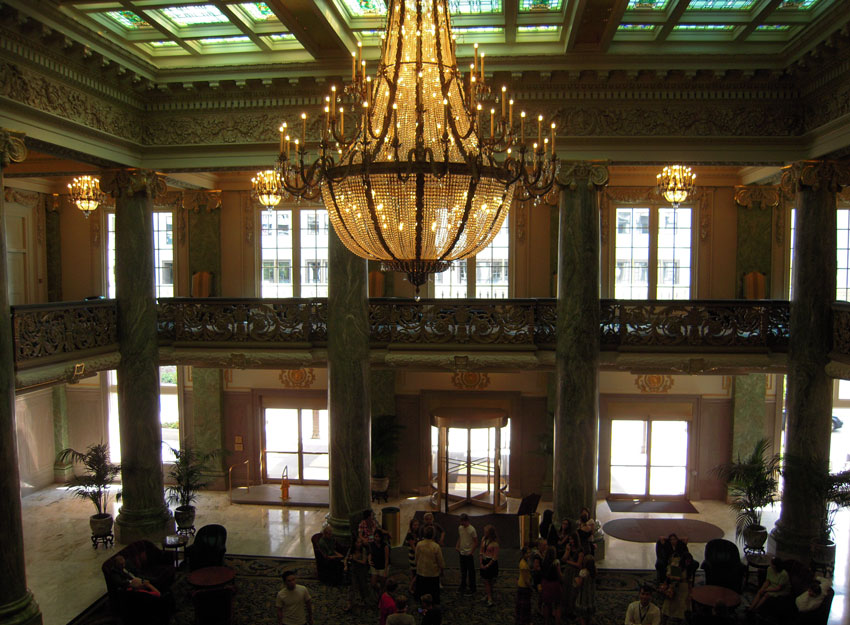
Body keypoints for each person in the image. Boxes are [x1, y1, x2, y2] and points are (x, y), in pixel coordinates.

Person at [415, 526, 444, 604]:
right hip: (432, 574)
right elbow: (440, 561)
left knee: (422, 593)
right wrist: (442, 570)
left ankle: (421, 608)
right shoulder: (436, 546)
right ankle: (432, 607)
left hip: (421, 573)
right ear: (433, 535)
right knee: (433, 595)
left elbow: (416, 558)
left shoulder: (419, 544)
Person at [345, 535, 371, 613]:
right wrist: (345, 565)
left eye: (360, 542)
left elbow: (364, 562)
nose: (359, 544)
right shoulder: (351, 550)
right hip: (353, 571)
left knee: (363, 586)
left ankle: (365, 601)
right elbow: (346, 558)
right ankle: (349, 603)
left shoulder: (363, 550)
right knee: (351, 587)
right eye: (357, 542)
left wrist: (354, 559)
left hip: (362, 571)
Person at [660, 553, 689, 624]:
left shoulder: (680, 560)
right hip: (676, 588)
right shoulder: (676, 560)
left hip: (681, 589)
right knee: (671, 610)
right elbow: (675, 578)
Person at [560, 532, 583, 619]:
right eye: (569, 539)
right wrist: (567, 551)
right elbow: (563, 559)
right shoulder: (569, 547)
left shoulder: (580, 550)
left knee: (573, 592)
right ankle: (565, 610)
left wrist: (568, 562)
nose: (571, 541)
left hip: (575, 572)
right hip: (568, 571)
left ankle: (572, 610)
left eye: (572, 539)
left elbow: (578, 564)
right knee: (566, 590)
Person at [456, 513, 479, 594]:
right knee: (463, 571)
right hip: (462, 552)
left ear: (466, 521)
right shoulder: (460, 528)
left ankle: (472, 588)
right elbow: (460, 537)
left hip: (468, 553)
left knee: (471, 572)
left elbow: (476, 542)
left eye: (462, 521)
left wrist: (471, 552)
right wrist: (457, 545)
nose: (461, 523)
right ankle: (463, 586)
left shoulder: (472, 530)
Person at [479, 524, 500, 607]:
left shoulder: (495, 544)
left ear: (490, 533)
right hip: (484, 561)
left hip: (491, 563)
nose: (484, 533)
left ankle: (489, 597)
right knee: (486, 581)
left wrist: (487, 565)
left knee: (490, 581)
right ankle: (488, 596)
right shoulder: (483, 539)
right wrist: (481, 563)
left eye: (486, 532)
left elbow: (495, 557)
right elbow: (481, 552)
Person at [540, 551, 563, 625]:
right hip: (554, 584)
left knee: (546, 604)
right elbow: (559, 575)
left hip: (546, 584)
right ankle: (557, 622)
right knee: (557, 604)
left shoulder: (544, 561)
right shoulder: (556, 563)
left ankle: (546, 622)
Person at [574, 554, 597, 625]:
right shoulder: (594, 571)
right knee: (589, 611)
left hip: (583, 594)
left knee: (582, 615)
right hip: (591, 593)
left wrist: (575, 580)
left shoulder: (583, 572)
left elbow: (579, 584)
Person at [516, 546, 533, 625]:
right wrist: (531, 588)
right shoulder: (523, 564)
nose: (529, 554)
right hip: (524, 587)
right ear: (523, 554)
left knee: (523, 606)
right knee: (524, 607)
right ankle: (523, 621)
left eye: (529, 552)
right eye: (527, 553)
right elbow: (526, 580)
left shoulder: (524, 561)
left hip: (522, 585)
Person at [370, 529, 390, 594]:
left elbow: (386, 558)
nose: (377, 538)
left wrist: (385, 570)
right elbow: (370, 553)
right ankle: (378, 591)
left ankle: (382, 594)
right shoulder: (372, 544)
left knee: (382, 583)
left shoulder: (385, 546)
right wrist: (369, 560)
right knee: (373, 583)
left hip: (382, 565)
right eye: (376, 536)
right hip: (374, 565)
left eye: (379, 537)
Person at [404, 518, 420, 592]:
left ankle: (414, 587)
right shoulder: (409, 535)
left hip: (416, 554)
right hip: (413, 555)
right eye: (414, 525)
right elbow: (413, 547)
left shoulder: (417, 533)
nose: (416, 526)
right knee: (417, 572)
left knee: (414, 572)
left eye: (417, 525)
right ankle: (410, 587)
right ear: (411, 525)